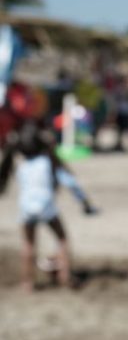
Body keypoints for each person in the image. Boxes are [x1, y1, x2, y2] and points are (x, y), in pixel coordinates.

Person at [0, 119, 93, 291]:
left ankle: (27, 283)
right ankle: (65, 276)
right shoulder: (48, 161)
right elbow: (70, 182)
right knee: (62, 238)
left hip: (26, 209)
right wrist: (85, 203)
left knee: (28, 244)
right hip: (47, 207)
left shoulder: (20, 165)